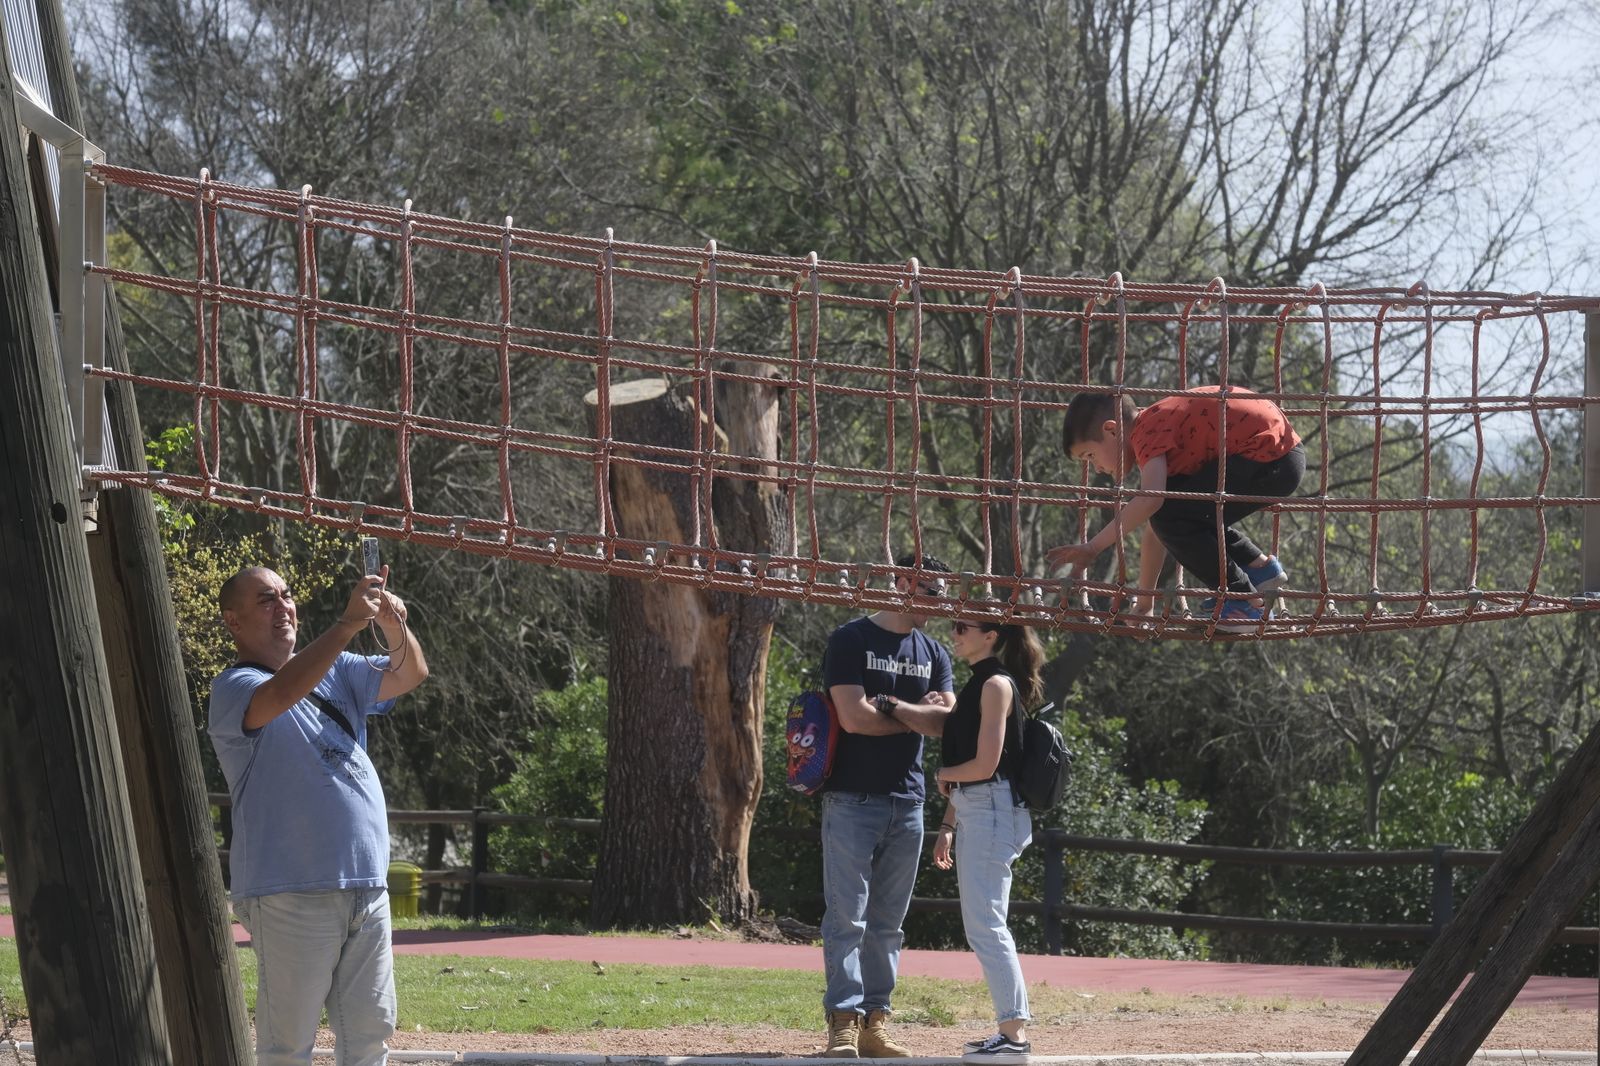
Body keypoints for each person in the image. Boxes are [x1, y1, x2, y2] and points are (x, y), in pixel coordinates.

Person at [208, 563, 429, 1066]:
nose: (282, 606)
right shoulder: (234, 686)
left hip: (366, 887)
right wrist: (348, 624)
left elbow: (410, 673)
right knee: (288, 1046)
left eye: (285, 595)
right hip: (289, 892)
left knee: (370, 1036)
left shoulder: (340, 667)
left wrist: (393, 625)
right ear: (233, 622)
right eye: (265, 599)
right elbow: (281, 695)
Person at [819, 552, 957, 1058]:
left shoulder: (935, 652)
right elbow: (853, 719)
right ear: (900, 582)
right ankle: (842, 1024)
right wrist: (918, 715)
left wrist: (894, 708)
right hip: (851, 798)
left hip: (910, 801)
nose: (938, 603)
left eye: (942, 593)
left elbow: (947, 722)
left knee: (887, 925)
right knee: (847, 918)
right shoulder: (850, 639)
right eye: (929, 591)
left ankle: (876, 1021)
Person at [1045, 384, 1305, 631]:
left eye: (1090, 456)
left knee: (1173, 513)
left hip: (1270, 457)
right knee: (1179, 513)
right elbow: (1157, 527)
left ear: (1112, 430)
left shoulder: (1147, 430)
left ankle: (1244, 602)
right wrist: (1145, 602)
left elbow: (1151, 502)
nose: (1096, 468)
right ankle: (1258, 569)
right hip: (1277, 455)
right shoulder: (1159, 430)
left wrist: (1093, 547)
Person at [931, 619, 1046, 1064]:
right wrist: (948, 825)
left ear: (991, 636)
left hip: (994, 809)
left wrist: (943, 776)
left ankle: (1013, 1037)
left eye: (964, 627)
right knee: (984, 923)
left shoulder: (996, 685)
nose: (955, 633)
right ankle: (1010, 1034)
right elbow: (971, 769)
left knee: (987, 925)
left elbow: (984, 766)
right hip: (981, 808)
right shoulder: (980, 683)